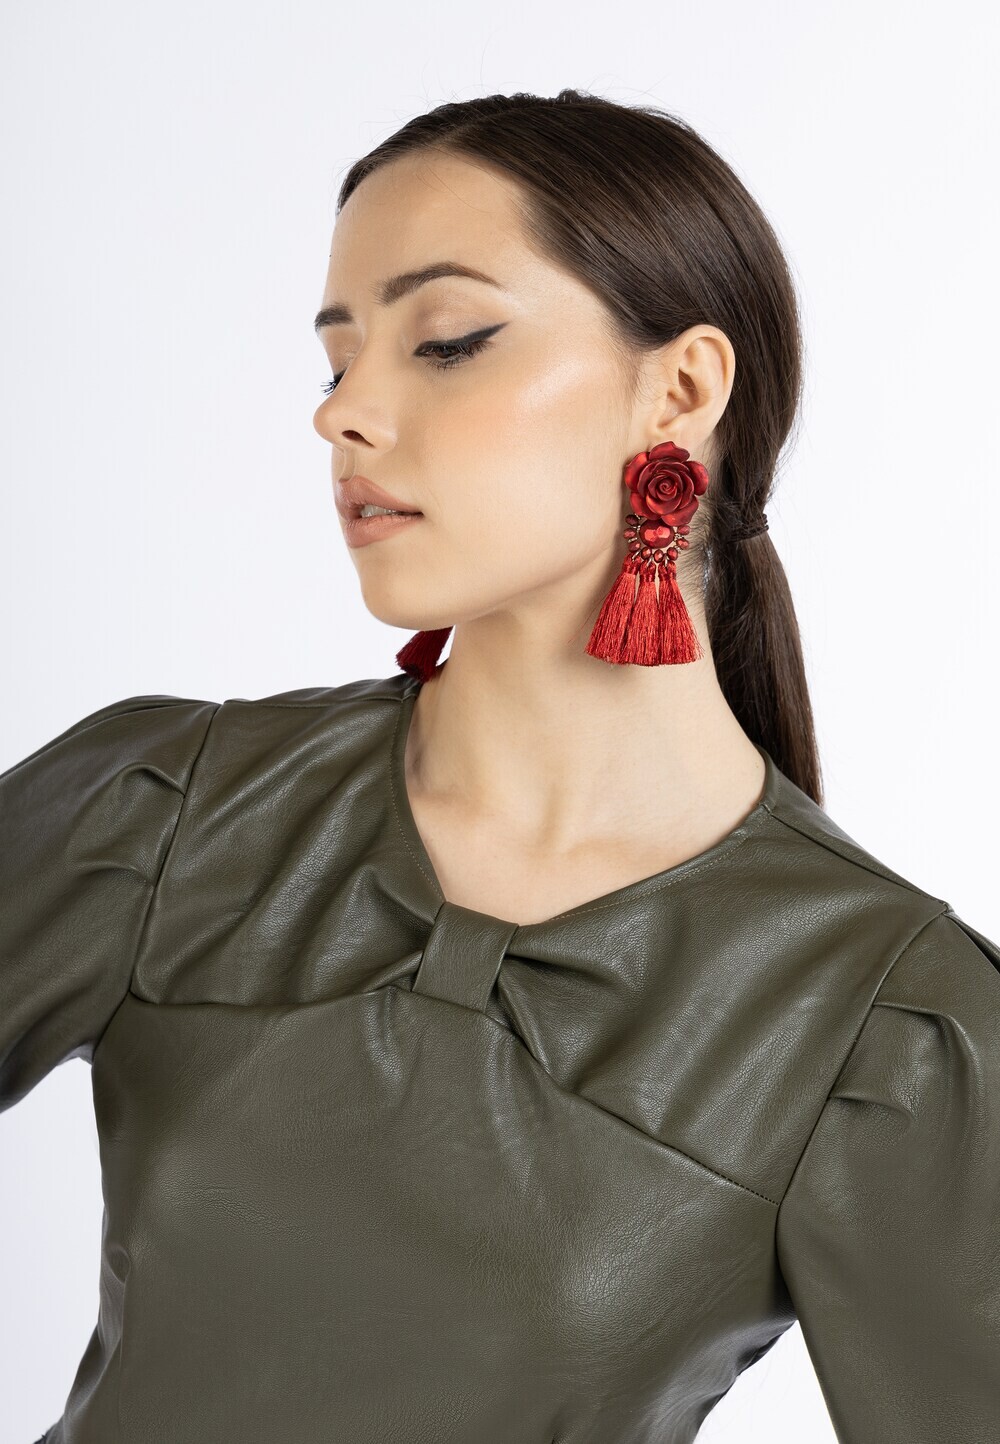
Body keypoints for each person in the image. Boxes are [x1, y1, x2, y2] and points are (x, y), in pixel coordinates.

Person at [3, 89, 997, 1444]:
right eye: (336, 362)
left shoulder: (883, 1024)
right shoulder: (170, 812)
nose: (345, 415)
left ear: (682, 389)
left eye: (447, 342)